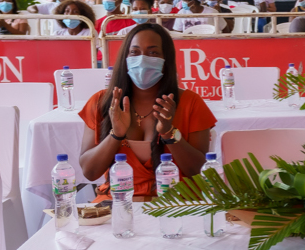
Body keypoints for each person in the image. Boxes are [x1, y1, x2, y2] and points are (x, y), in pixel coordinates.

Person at [79, 24, 216, 201]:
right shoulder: (102, 102)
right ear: (125, 58)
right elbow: (90, 172)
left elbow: (197, 171)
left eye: (153, 53)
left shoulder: (191, 102)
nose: (142, 60)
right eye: (135, 52)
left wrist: (169, 133)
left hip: (178, 203)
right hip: (119, 202)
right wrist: (116, 135)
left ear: (166, 59)